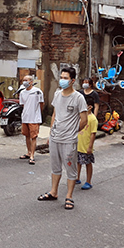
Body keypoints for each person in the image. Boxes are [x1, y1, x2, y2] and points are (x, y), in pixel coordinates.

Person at [37, 67, 88, 210]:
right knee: (55, 167)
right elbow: (54, 114)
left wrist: (72, 132)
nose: (62, 80)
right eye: (61, 77)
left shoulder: (78, 98)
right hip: (55, 138)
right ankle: (53, 192)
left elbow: (84, 120)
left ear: (72, 81)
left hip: (69, 140)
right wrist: (51, 132)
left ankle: (69, 196)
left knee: (70, 169)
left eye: (65, 78)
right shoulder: (57, 94)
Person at [18, 75, 44, 165]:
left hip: (34, 118)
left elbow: (41, 104)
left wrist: (38, 114)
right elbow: (23, 105)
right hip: (25, 117)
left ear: (31, 82)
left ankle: (32, 155)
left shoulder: (37, 92)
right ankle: (29, 152)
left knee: (33, 137)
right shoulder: (22, 93)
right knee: (26, 135)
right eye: (23, 80)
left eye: (26, 80)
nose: (24, 82)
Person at [77, 107, 98, 190]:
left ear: (90, 107)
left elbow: (93, 133)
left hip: (86, 145)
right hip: (79, 143)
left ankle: (88, 181)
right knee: (78, 162)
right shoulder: (81, 116)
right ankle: (77, 178)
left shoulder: (93, 119)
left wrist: (90, 146)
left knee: (87, 163)